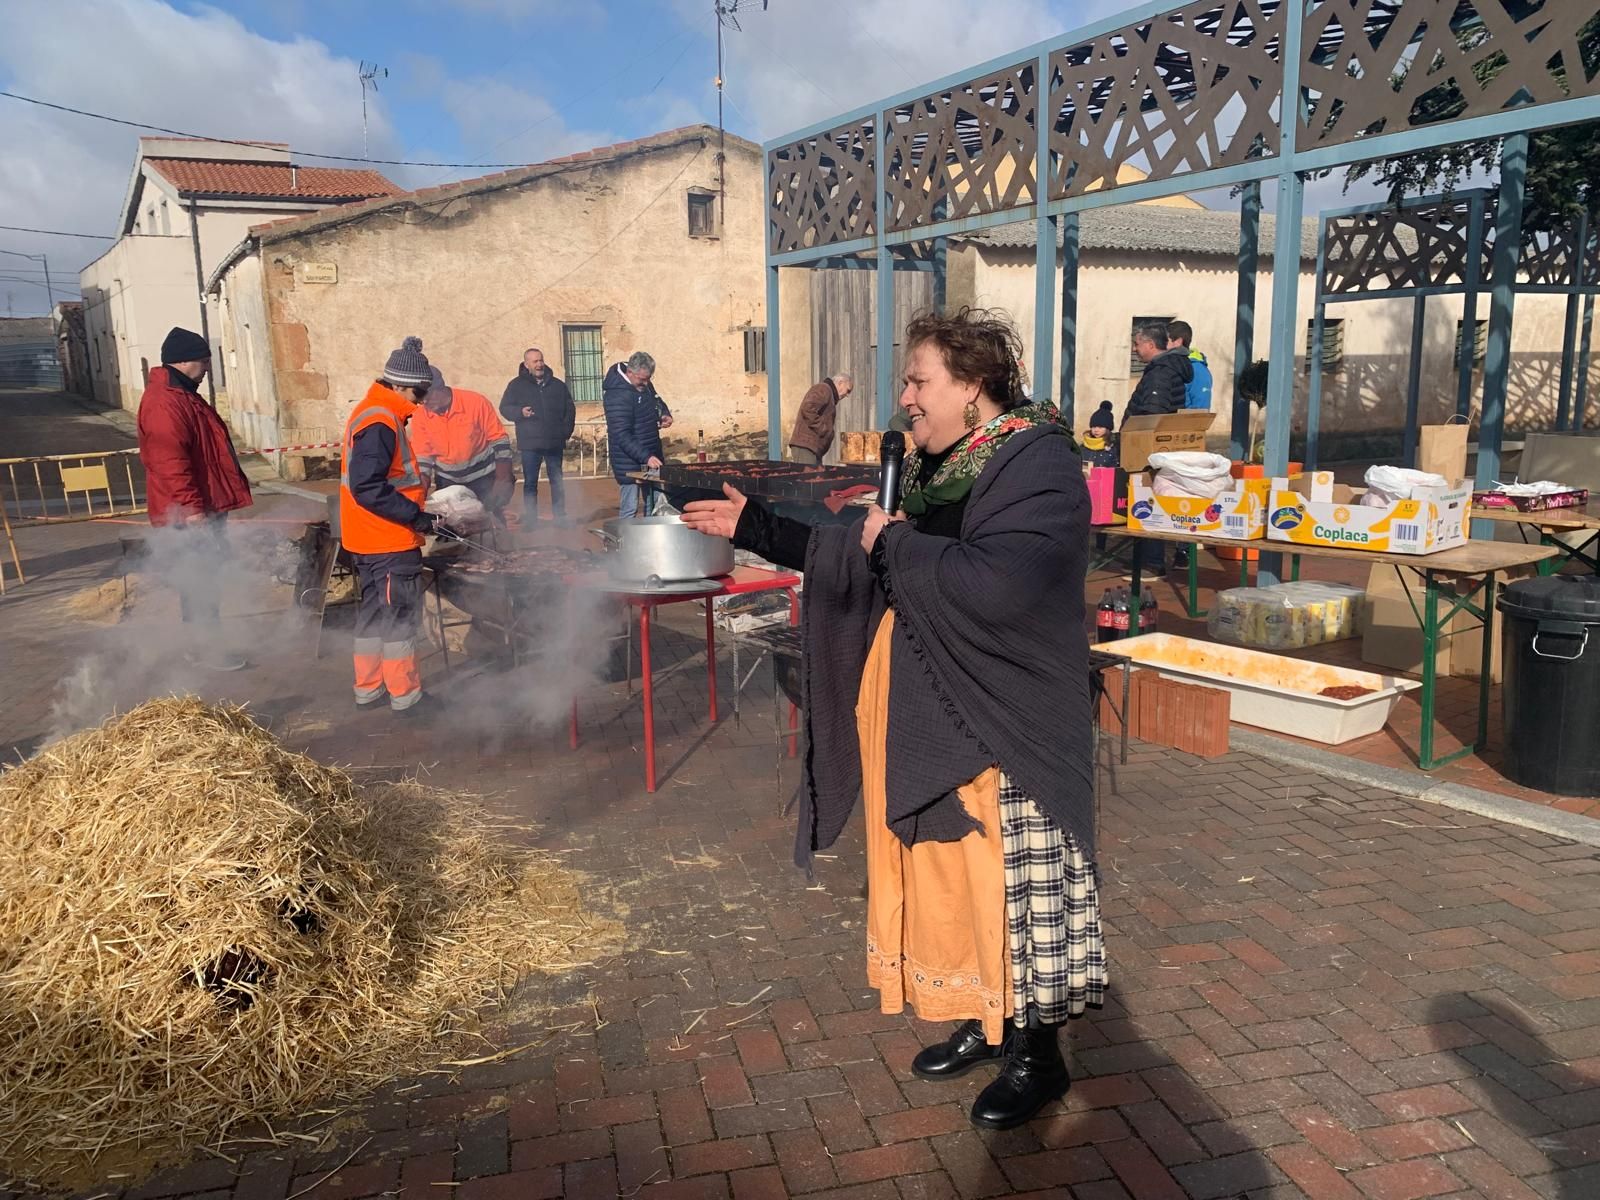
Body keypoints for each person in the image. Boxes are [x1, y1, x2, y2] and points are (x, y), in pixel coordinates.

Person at [682, 308, 1102, 1132]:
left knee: (1009, 890)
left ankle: (1037, 1054)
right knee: (957, 887)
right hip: (939, 713)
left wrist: (895, 546)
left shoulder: (1038, 467)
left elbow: (1001, 582)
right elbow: (863, 546)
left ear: (973, 388)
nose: (904, 397)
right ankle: (987, 1020)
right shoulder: (937, 468)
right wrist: (759, 528)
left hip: (1005, 717)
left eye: (919, 380)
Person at [339, 335, 456, 717]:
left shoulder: (372, 411)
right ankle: (407, 698)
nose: (421, 403)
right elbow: (367, 486)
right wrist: (417, 517)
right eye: (419, 394)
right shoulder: (380, 421)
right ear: (402, 385)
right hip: (388, 540)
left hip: (367, 540)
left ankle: (368, 688)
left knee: (373, 616)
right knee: (400, 620)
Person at [135, 326, 253, 671]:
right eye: (204, 361)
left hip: (199, 507)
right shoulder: (166, 401)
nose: (207, 369)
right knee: (200, 581)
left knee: (204, 579)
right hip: (188, 513)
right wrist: (193, 510)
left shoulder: (182, 394)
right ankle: (206, 653)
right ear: (187, 361)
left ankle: (204, 647)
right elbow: (170, 461)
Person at [409, 365, 515, 518]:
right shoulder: (420, 416)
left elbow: (499, 441)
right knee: (453, 526)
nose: (424, 401)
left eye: (427, 395)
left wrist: (503, 478)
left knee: (492, 521)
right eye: (420, 397)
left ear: (440, 388)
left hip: (484, 478)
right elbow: (422, 458)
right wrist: (420, 496)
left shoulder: (475, 402)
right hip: (448, 481)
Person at [499, 348, 576, 522]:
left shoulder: (557, 385)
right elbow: (504, 408)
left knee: (557, 482)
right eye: (535, 361)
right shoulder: (516, 385)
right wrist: (519, 412)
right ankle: (531, 520)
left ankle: (560, 516)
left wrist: (565, 432)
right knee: (530, 483)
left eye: (541, 360)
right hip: (530, 444)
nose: (539, 364)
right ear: (527, 365)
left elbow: (569, 409)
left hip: (554, 442)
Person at [603, 351, 673, 519]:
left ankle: (652, 541)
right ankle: (624, 542)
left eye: (649, 378)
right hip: (628, 460)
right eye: (642, 379)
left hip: (650, 455)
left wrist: (664, 413)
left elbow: (656, 400)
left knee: (656, 505)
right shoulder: (616, 395)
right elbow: (621, 434)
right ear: (630, 372)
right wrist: (645, 456)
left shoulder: (644, 384)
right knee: (630, 508)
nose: (646, 383)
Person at [1123, 320, 1192, 423]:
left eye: (1137, 344)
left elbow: (1152, 418)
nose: (1134, 349)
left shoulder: (1160, 374)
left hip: (1144, 438)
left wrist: (1118, 437)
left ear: (1151, 345)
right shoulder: (1164, 368)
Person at [788, 372, 853, 464]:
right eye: (848, 390)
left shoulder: (828, 393)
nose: (847, 395)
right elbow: (807, 408)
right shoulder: (824, 389)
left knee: (814, 477)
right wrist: (824, 429)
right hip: (806, 446)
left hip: (812, 448)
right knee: (807, 477)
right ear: (840, 383)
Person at [1167, 320, 1213, 411]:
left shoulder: (1197, 370)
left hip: (1184, 423)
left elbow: (1200, 411)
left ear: (1177, 342)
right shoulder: (1168, 365)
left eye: (1165, 341)